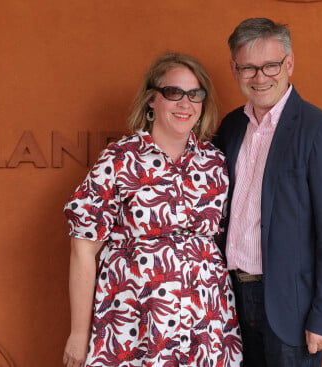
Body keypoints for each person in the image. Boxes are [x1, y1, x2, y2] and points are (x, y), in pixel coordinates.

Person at [63, 53, 242, 367]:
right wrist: (79, 333)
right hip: (133, 322)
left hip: (206, 323)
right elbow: (83, 249)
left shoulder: (215, 163)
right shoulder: (119, 159)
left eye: (195, 95)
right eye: (174, 93)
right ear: (151, 100)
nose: (185, 104)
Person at [213, 18, 322, 367]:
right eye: (248, 67)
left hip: (291, 307)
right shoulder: (231, 128)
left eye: (270, 65)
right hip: (229, 300)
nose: (260, 77)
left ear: (289, 64)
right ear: (234, 68)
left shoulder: (319, 132)